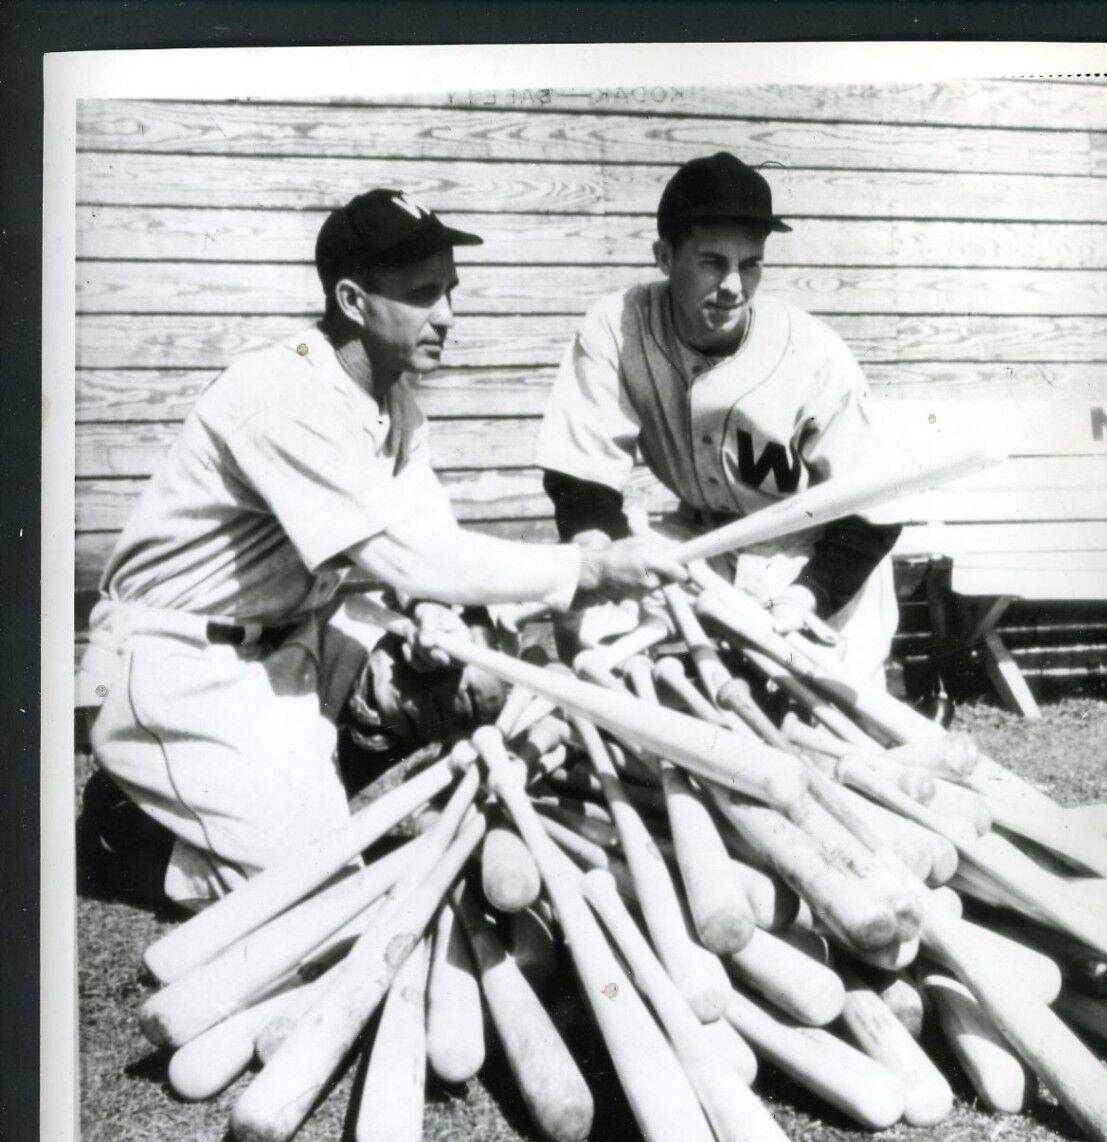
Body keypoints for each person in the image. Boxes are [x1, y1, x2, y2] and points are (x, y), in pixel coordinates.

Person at [77, 187, 684, 910]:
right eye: (424, 295)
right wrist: (586, 567)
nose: (449, 316)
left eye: (451, 291)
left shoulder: (394, 400)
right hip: (179, 662)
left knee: (472, 677)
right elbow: (402, 558)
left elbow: (431, 546)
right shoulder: (283, 398)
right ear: (354, 301)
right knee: (321, 890)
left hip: (286, 645)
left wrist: (440, 617)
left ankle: (313, 771)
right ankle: (127, 838)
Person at [537, 151, 903, 687]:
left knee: (830, 706)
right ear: (664, 256)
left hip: (812, 554)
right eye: (713, 262)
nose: (734, 284)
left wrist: (809, 596)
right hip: (697, 539)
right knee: (590, 622)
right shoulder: (617, 326)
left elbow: (874, 507)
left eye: (749, 264)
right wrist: (604, 571)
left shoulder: (813, 353)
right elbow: (581, 478)